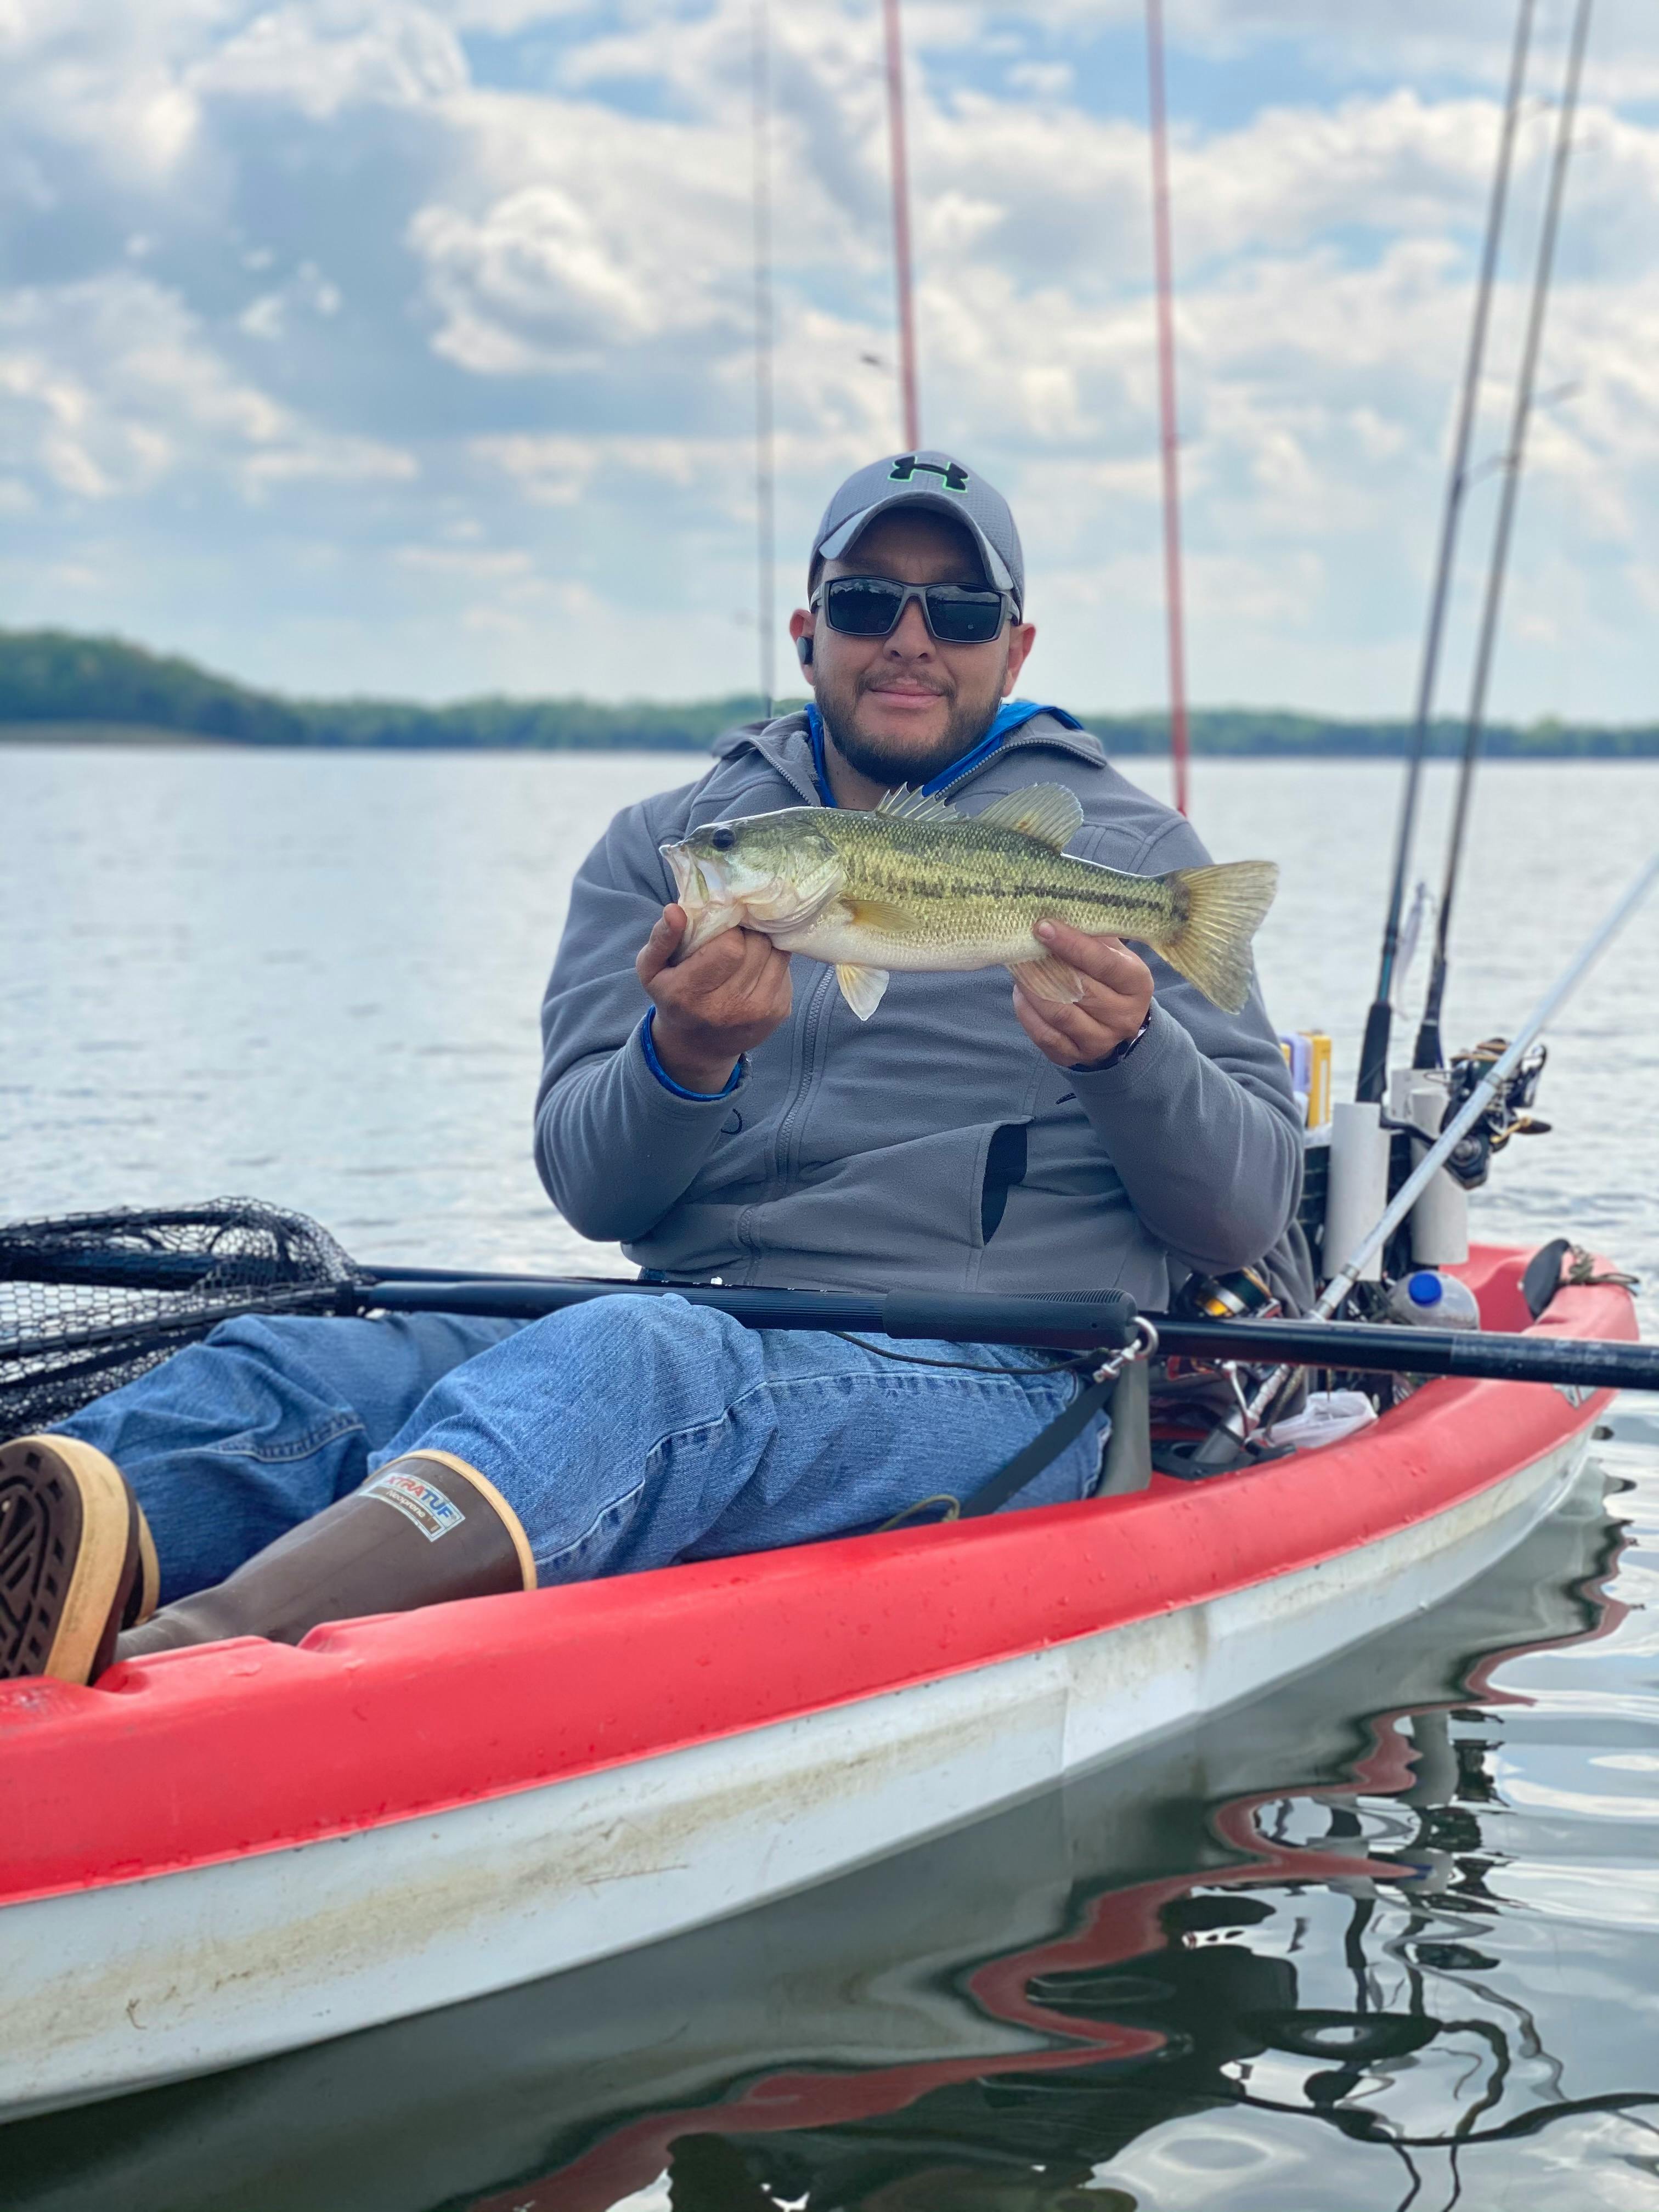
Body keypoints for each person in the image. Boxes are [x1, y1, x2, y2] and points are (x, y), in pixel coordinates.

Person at [0, 452, 1303, 1687]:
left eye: (959, 610)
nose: (910, 636)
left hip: (1003, 1374)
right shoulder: (678, 849)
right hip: (709, 1318)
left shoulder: (1134, 856)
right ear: (809, 630)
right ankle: (57, 1557)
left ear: (1014, 649)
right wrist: (682, 1057)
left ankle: (176, 1670)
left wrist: (1132, 1056)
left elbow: (1242, 1216)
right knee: (289, 1364)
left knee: (633, 1364)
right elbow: (594, 1191)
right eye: (867, 601)